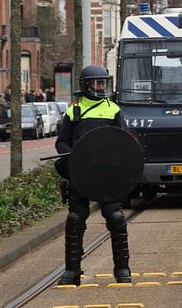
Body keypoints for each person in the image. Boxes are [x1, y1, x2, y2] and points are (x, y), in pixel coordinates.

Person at [55, 65, 130, 286]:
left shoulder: (114, 110)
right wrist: (70, 157)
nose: (100, 87)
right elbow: (61, 142)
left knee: (116, 218)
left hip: (106, 175)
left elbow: (123, 142)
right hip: (82, 174)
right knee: (75, 219)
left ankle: (123, 269)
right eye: (96, 83)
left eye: (103, 83)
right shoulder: (73, 111)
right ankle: (72, 271)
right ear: (85, 86)